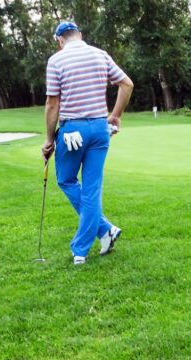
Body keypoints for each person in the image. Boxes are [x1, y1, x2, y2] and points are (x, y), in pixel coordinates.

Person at [42, 21, 134, 265]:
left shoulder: (56, 60)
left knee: (66, 180)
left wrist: (49, 139)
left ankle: (80, 250)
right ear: (80, 35)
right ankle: (105, 231)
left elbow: (53, 104)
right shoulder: (100, 54)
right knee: (91, 188)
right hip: (100, 129)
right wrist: (115, 116)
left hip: (73, 131)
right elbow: (127, 84)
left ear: (59, 39)